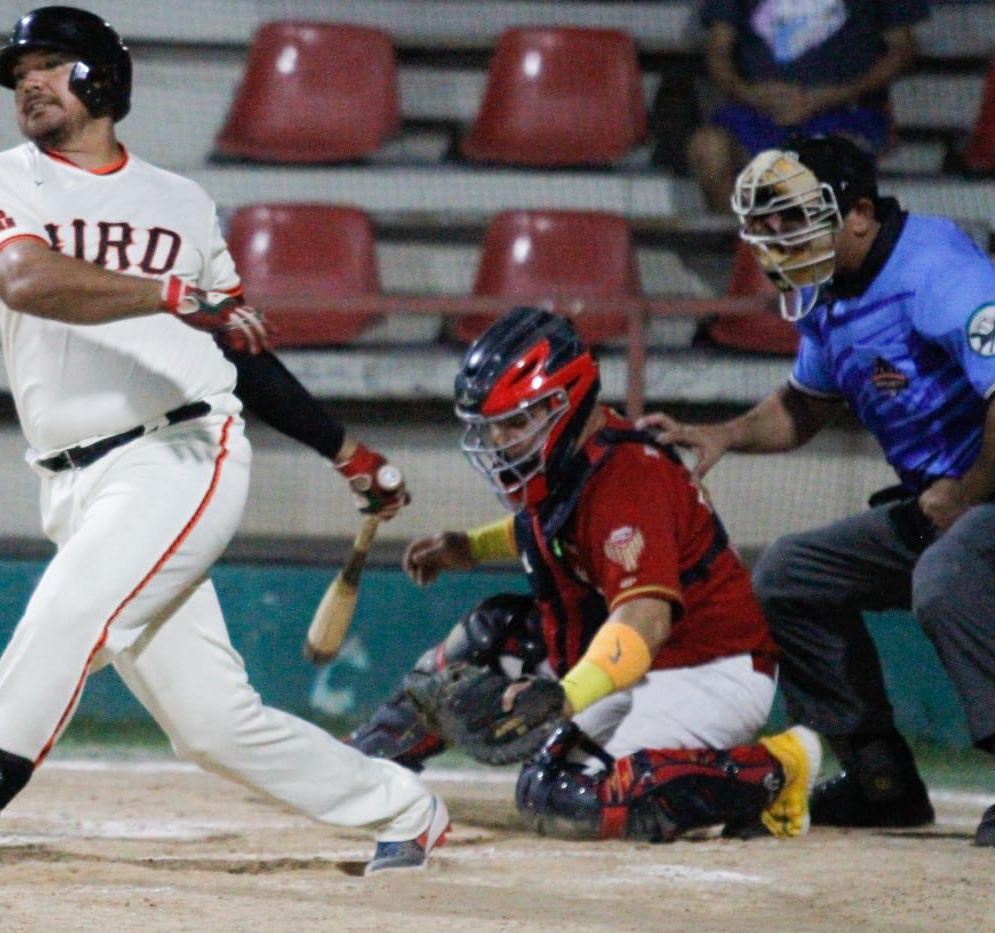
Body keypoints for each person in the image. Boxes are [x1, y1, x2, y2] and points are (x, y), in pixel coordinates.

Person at [0, 5, 446, 881]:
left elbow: (239, 351)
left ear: (103, 76)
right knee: (212, 724)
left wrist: (344, 448)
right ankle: (408, 807)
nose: (30, 85)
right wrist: (167, 292)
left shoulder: (183, 201)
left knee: (69, 613)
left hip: (180, 452)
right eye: (22, 76)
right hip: (71, 480)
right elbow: (22, 277)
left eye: (50, 66)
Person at [350, 305, 821, 842]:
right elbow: (558, 532)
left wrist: (565, 696)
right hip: (648, 660)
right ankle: (363, 763)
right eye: (493, 427)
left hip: (709, 670)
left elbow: (645, 621)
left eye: (514, 422)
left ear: (563, 403)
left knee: (565, 799)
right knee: (497, 628)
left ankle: (774, 772)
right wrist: (471, 547)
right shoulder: (571, 459)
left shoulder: (628, 479)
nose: (500, 440)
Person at [641, 134, 995, 844]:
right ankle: (878, 779)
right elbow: (804, 405)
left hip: (980, 491)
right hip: (936, 501)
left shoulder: (940, 271)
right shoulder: (832, 291)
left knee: (947, 577)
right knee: (788, 575)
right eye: (766, 225)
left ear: (859, 213)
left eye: (792, 219)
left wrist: (965, 493)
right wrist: (722, 435)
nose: (775, 240)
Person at [686, 0, 928, 213]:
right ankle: (746, 254)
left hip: (844, 112)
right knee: (708, 149)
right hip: (756, 113)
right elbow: (718, 48)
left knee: (829, 162)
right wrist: (748, 94)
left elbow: (902, 50)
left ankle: (816, 256)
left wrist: (828, 97)